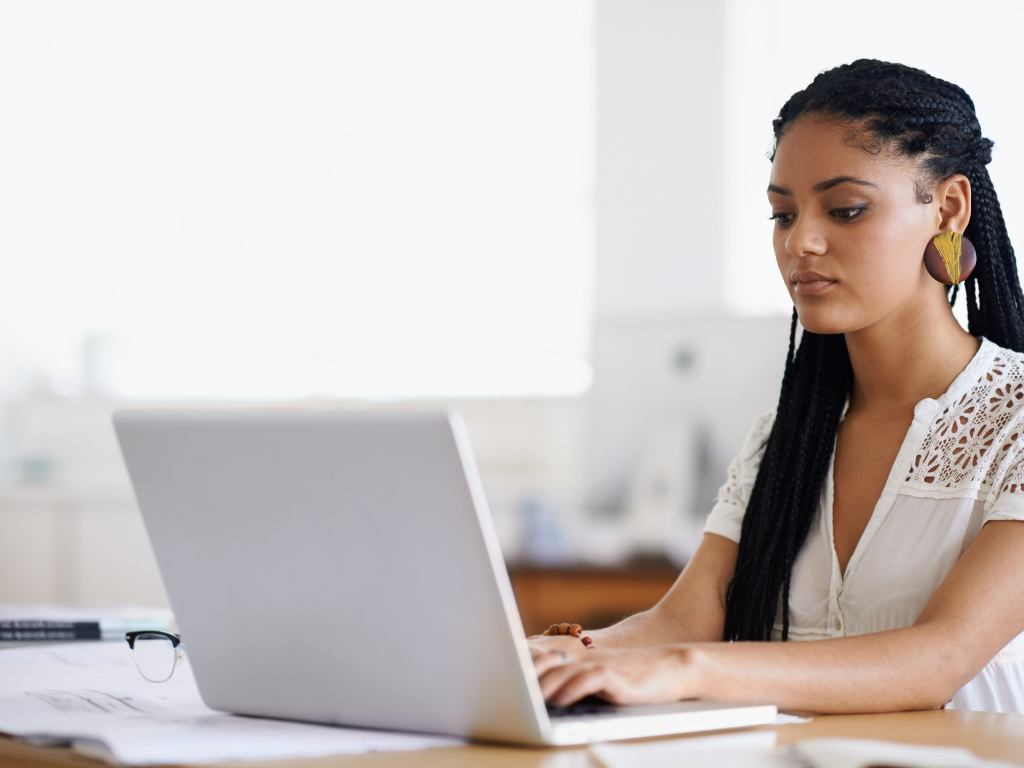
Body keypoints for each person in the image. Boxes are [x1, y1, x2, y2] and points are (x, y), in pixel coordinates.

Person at [530, 60, 1024, 714]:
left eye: (845, 209)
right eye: (782, 215)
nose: (802, 243)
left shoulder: (1013, 418)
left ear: (949, 208)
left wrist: (685, 671)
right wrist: (568, 655)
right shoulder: (784, 436)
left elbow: (937, 658)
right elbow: (684, 621)